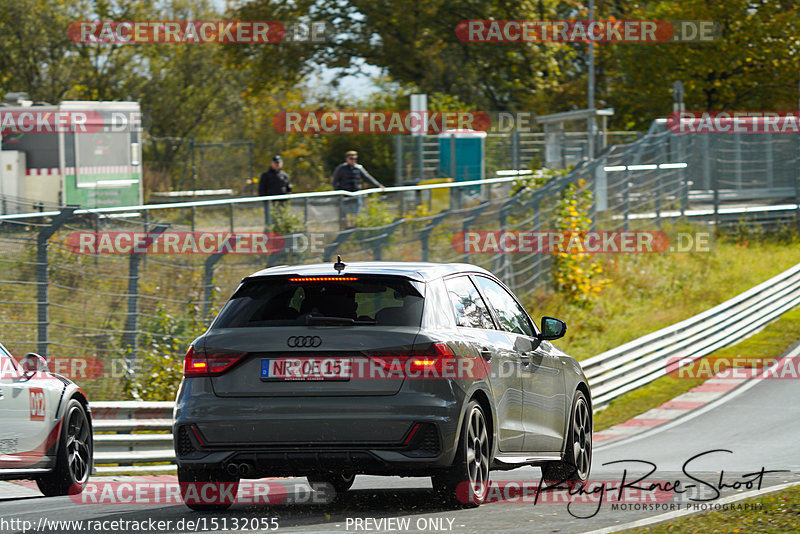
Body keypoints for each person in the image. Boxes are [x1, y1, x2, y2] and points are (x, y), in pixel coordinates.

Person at [331, 151, 385, 219]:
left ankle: (355, 227)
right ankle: (345, 227)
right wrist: (338, 191)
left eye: (355, 159)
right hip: (344, 196)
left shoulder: (358, 168)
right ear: (347, 159)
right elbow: (334, 182)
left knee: (356, 214)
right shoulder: (341, 168)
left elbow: (367, 177)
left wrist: (378, 185)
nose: (353, 160)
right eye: (351, 158)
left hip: (356, 195)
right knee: (344, 215)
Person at [258, 155, 291, 225]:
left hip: (282, 203)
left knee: (282, 220)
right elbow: (261, 189)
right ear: (271, 163)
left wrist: (287, 198)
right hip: (270, 203)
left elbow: (289, 189)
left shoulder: (284, 175)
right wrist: (265, 200)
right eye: (275, 163)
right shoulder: (266, 175)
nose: (277, 165)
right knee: (270, 221)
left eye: (278, 163)